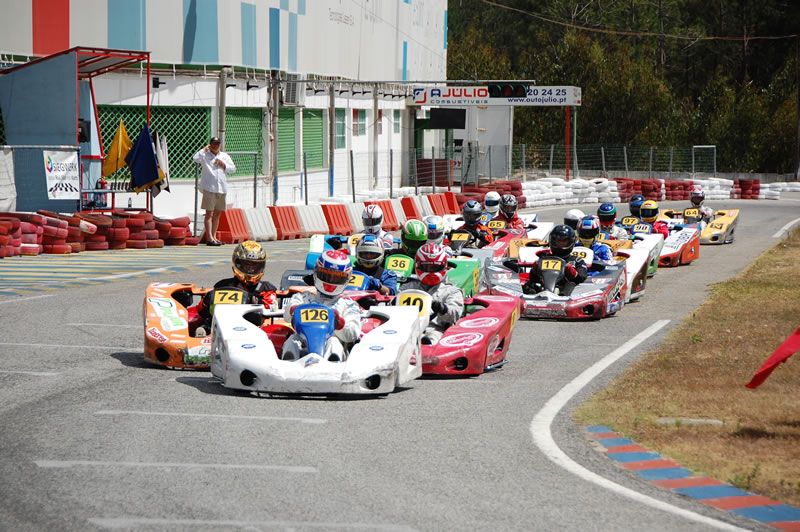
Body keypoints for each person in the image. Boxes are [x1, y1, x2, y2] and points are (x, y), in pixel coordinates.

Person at [282, 250, 362, 362]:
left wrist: (339, 322)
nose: (331, 281)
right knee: (292, 340)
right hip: (304, 346)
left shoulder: (348, 305)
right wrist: (294, 310)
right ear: (317, 272)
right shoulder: (303, 298)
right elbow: (286, 316)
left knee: (333, 342)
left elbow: (352, 335)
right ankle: (287, 366)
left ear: (346, 279)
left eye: (337, 277)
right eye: (327, 275)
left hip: (335, 351)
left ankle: (332, 367)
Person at [194, 240, 278, 336]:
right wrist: (207, 299)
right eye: (246, 264)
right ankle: (203, 332)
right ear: (238, 264)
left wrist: (254, 301)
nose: (250, 269)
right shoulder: (223, 285)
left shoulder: (266, 288)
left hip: (253, 329)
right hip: (222, 328)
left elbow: (272, 309)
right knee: (207, 320)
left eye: (254, 265)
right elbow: (200, 310)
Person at [401, 243, 465, 345]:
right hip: (406, 328)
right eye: (427, 267)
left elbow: (455, 314)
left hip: (434, 329)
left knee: (432, 339)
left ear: (444, 266)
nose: (430, 271)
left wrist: (442, 308)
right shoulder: (408, 288)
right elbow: (394, 307)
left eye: (434, 267)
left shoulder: (451, 291)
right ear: (418, 265)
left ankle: (426, 349)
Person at [192, 136, 236, 246]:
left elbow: (233, 169)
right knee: (209, 214)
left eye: (217, 144)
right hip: (209, 188)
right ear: (210, 145)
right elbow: (195, 158)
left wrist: (223, 164)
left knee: (217, 214)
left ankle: (214, 236)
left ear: (220, 145)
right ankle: (210, 238)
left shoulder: (224, 156)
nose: (215, 146)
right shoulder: (205, 155)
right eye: (213, 144)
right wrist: (203, 149)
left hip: (221, 188)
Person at [522, 224, 588, 296]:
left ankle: (562, 298)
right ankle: (529, 299)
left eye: (564, 242)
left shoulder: (577, 260)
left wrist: (572, 273)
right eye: (558, 242)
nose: (560, 244)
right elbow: (534, 278)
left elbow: (582, 279)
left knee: (571, 284)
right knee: (529, 284)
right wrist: (534, 269)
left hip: (565, 291)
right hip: (543, 289)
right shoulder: (545, 258)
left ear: (571, 242)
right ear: (552, 241)